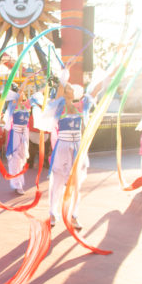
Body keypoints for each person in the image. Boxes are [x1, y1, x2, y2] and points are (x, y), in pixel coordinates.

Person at [36, 77, 103, 230]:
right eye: (65, 90)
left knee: (76, 183)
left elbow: (95, 90)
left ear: (74, 93)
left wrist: (115, 69)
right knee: (58, 181)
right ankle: (53, 212)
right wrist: (62, 78)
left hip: (77, 147)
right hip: (62, 147)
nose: (68, 92)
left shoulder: (81, 106)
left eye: (70, 90)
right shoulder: (58, 109)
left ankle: (74, 215)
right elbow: (59, 94)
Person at [4, 79, 33, 195]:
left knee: (22, 158)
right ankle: (16, 184)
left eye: (22, 93)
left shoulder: (27, 105)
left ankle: (19, 181)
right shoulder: (14, 105)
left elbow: (39, 95)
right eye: (19, 93)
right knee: (15, 159)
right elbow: (19, 93)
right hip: (15, 133)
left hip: (24, 133)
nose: (22, 94)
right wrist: (26, 81)